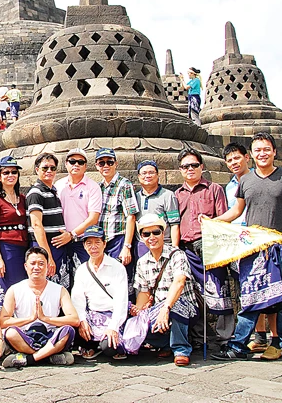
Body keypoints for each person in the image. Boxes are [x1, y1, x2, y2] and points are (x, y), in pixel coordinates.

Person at [211, 132, 282, 369]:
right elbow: (236, 212)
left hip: (278, 247)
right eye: (258, 150)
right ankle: (238, 346)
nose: (262, 154)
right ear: (253, 154)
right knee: (249, 299)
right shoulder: (245, 181)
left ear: (274, 152)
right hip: (253, 248)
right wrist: (213, 221)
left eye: (266, 149)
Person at [174, 149, 234, 347]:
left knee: (218, 289)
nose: (190, 169)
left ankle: (225, 336)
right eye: (185, 166)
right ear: (180, 170)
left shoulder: (214, 189)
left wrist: (211, 222)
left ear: (202, 167)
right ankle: (201, 336)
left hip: (209, 244)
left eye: (194, 165)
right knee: (194, 292)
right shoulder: (177, 194)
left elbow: (224, 219)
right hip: (186, 248)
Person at [223, 143, 278, 357]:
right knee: (248, 291)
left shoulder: (261, 180)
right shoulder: (230, 187)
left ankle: (276, 339)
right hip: (238, 244)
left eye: (237, 158)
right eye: (229, 160)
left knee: (272, 292)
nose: (234, 163)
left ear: (247, 157)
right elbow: (233, 213)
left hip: (261, 241)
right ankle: (260, 336)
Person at [131, 215, 198, 366]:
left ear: (163, 233)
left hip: (183, 307)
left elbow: (179, 283)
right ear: (141, 237)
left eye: (155, 232)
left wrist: (165, 308)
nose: (151, 237)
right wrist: (139, 310)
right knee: (136, 326)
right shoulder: (142, 262)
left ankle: (181, 349)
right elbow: (144, 292)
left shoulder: (177, 254)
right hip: (159, 309)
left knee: (176, 304)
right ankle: (167, 343)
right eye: (146, 234)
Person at [0, 247, 80, 368]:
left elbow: (74, 319)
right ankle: (49, 355)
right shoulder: (14, 289)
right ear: (26, 266)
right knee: (10, 333)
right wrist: (30, 319)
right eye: (32, 263)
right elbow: (3, 321)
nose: (36, 267)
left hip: (50, 335)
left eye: (41, 264)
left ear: (48, 266)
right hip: (25, 335)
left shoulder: (59, 290)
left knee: (68, 331)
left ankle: (29, 358)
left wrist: (45, 319)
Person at [71, 225, 129, 360]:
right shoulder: (82, 270)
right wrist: (82, 320)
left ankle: (100, 344)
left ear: (104, 244)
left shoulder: (117, 268)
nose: (93, 247)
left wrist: (113, 326)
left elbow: (121, 300)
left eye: (97, 242)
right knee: (73, 329)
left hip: (112, 316)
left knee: (109, 347)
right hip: (92, 316)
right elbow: (77, 299)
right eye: (89, 243)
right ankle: (91, 344)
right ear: (84, 246)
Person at [53, 148, 102, 288]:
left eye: (80, 162)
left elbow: (93, 218)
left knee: (84, 280)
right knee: (61, 280)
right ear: (66, 164)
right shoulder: (58, 186)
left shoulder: (92, 187)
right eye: (72, 161)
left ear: (86, 166)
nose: (76, 165)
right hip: (60, 240)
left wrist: (72, 234)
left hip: (82, 241)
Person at [94, 148, 138, 293]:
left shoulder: (124, 184)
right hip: (102, 241)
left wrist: (127, 246)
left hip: (119, 239)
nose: (106, 166)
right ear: (96, 166)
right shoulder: (98, 187)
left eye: (109, 162)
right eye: (102, 163)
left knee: (121, 279)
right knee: (105, 280)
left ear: (116, 164)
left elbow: (131, 216)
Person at [0, 156, 28, 306]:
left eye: (14, 172)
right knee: (9, 287)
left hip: (24, 247)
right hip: (6, 248)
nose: (11, 175)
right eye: (6, 172)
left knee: (24, 287)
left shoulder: (22, 198)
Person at [25, 153, 66, 284]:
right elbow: (36, 225)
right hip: (44, 248)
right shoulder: (36, 193)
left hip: (57, 247)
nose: (49, 171)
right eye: (45, 168)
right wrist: (47, 256)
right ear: (37, 170)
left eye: (52, 168)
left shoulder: (53, 191)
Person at [134, 160, 181, 251]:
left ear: (158, 175)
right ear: (139, 176)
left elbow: (174, 223)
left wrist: (175, 248)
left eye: (151, 172)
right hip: (142, 245)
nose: (147, 176)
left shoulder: (168, 195)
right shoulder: (136, 197)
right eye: (144, 173)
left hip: (164, 244)